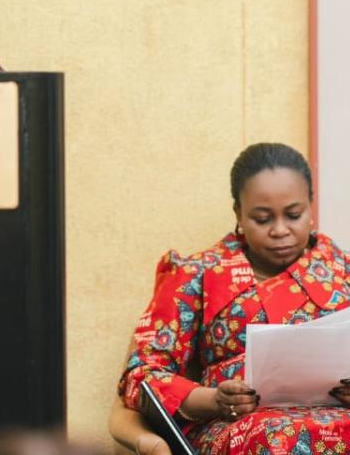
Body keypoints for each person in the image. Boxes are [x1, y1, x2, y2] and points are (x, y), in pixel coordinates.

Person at [114, 142, 350, 455]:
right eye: (263, 219)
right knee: (278, 438)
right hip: (242, 426)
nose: (280, 230)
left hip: (340, 417)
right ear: (238, 212)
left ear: (310, 205)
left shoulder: (343, 269)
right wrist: (211, 399)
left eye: (293, 215)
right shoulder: (198, 273)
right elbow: (140, 375)